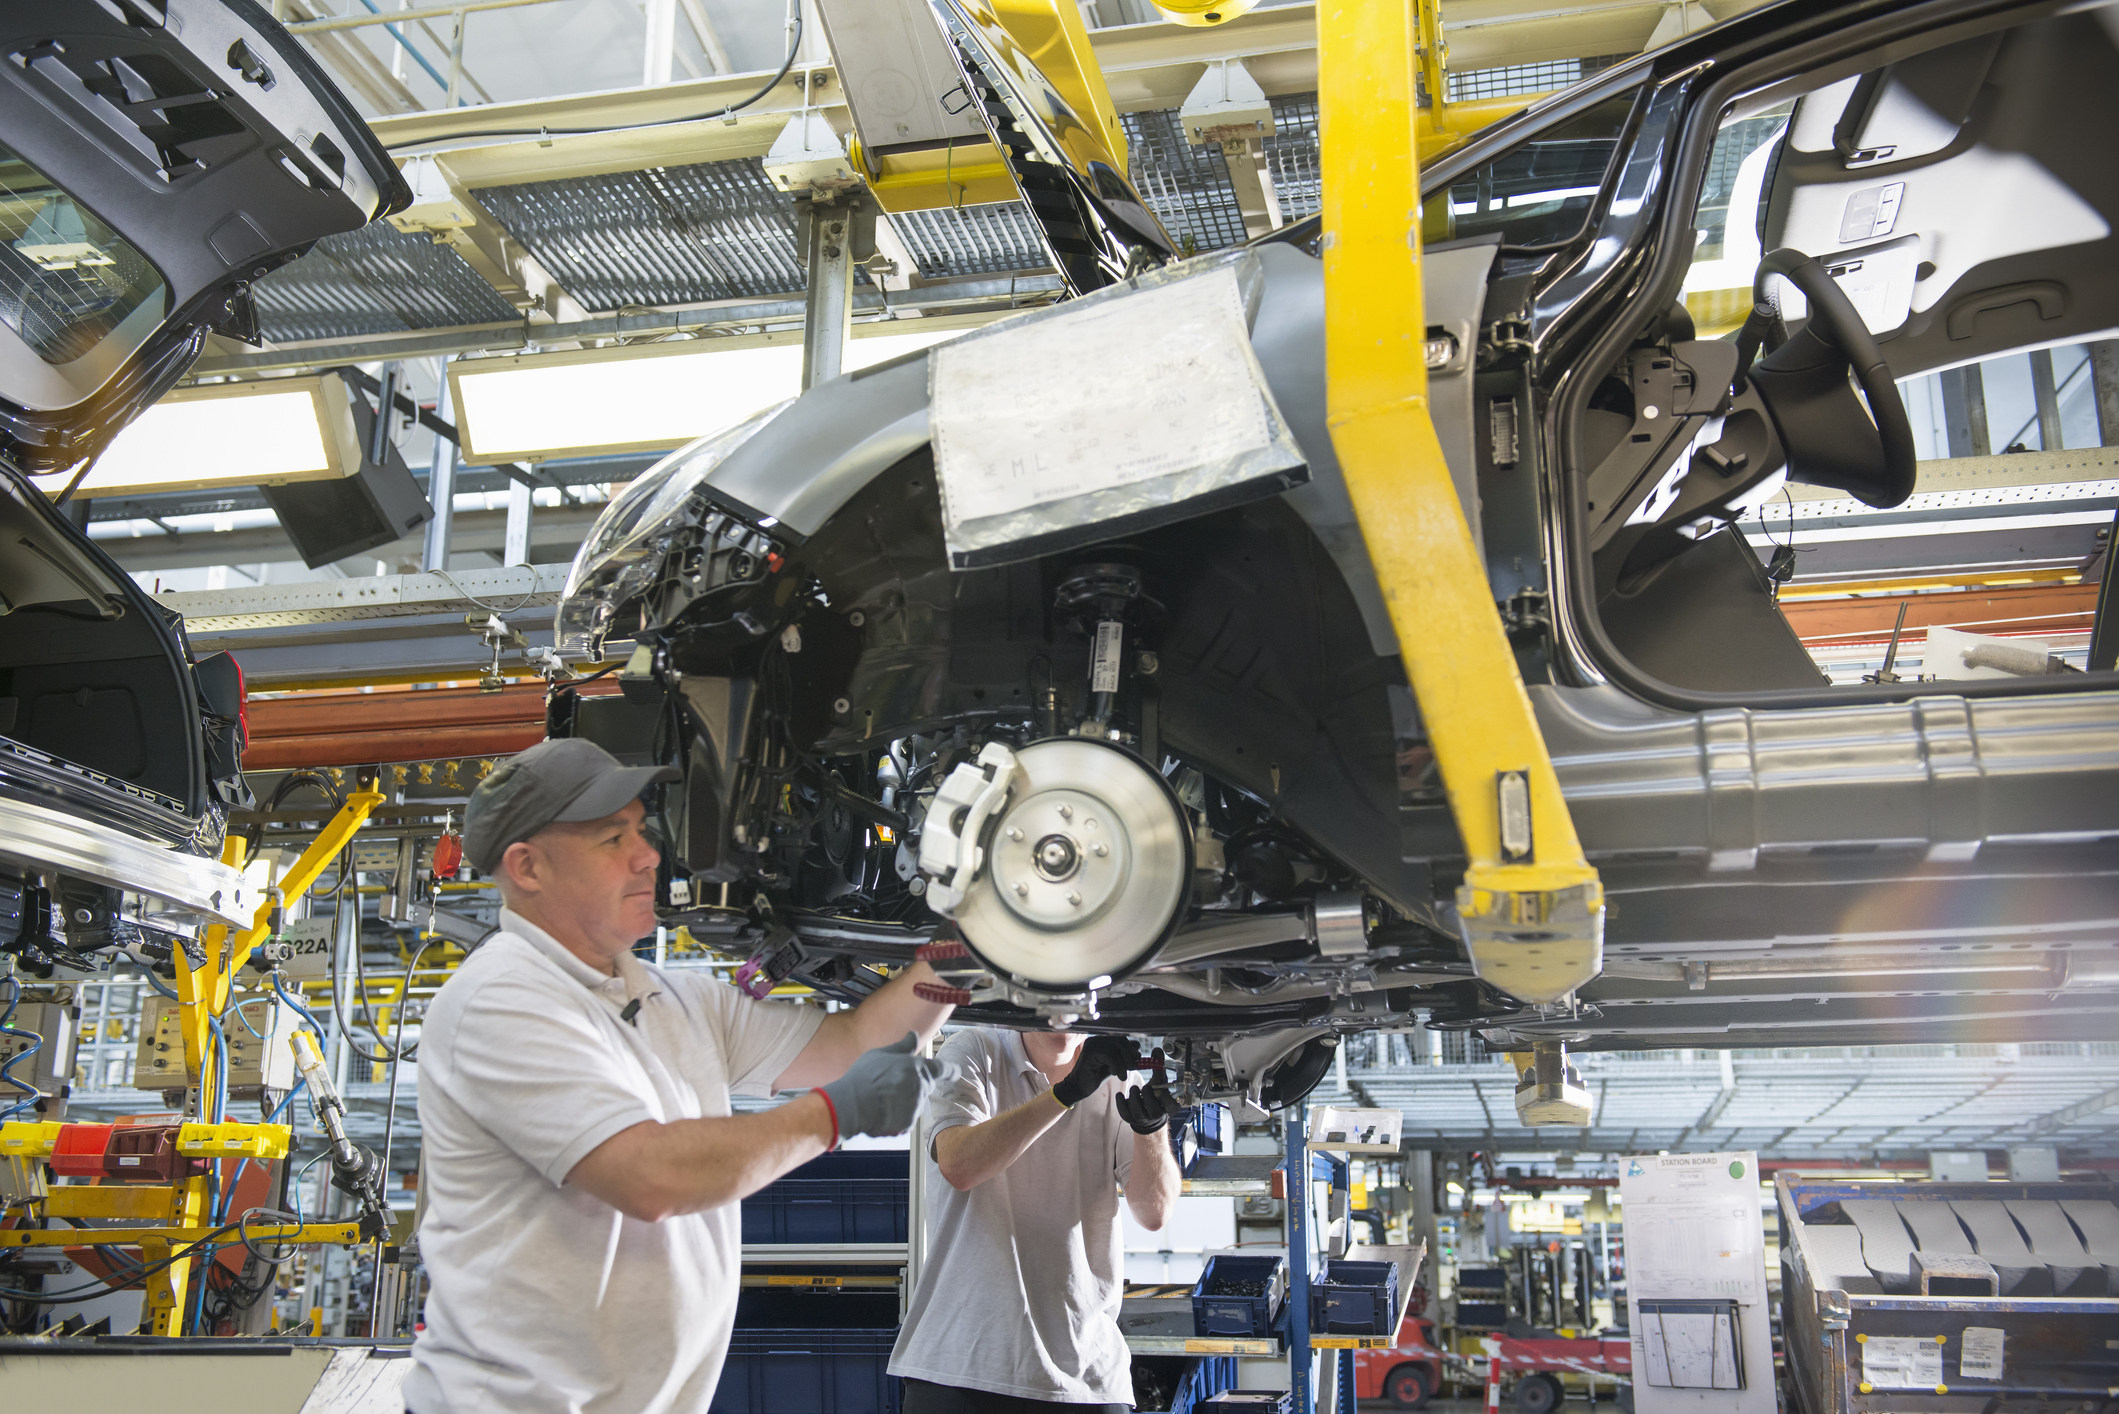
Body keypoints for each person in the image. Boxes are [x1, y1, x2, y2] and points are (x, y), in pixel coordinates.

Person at [404, 738, 956, 1414]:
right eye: (613, 838)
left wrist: (961, 950)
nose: (647, 855)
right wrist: (835, 1114)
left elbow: (854, 1044)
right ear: (528, 867)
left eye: (641, 829)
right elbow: (650, 1176)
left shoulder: (674, 998)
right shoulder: (501, 998)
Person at [888, 1028, 1186, 1412]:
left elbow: (1155, 1212)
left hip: (1088, 1377)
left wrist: (1152, 1129)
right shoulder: (974, 1049)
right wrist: (1065, 1094)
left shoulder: (1120, 1080)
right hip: (963, 1367)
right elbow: (959, 1164)